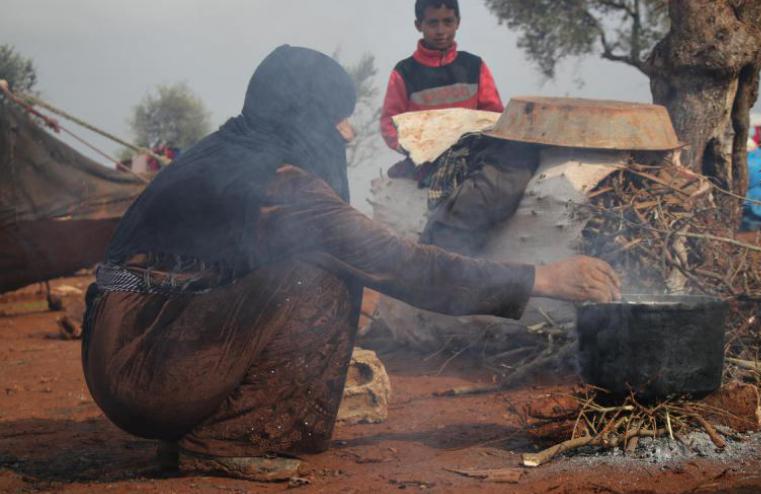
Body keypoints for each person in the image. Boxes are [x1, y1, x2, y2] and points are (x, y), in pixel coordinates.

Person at [81, 45, 620, 483]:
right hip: (145, 364)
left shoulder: (224, 151)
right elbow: (402, 265)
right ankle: (228, 438)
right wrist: (542, 278)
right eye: (334, 116)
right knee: (323, 276)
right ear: (302, 112)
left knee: (311, 261)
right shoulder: (278, 182)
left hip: (133, 347)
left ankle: (205, 430)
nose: (345, 132)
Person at [380, 0, 503, 169]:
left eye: (447, 22)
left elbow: (494, 114)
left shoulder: (474, 66)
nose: (440, 31)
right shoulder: (404, 72)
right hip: (425, 161)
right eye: (432, 23)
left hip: (472, 156)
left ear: (458, 22)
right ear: (418, 25)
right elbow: (389, 122)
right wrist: (411, 149)